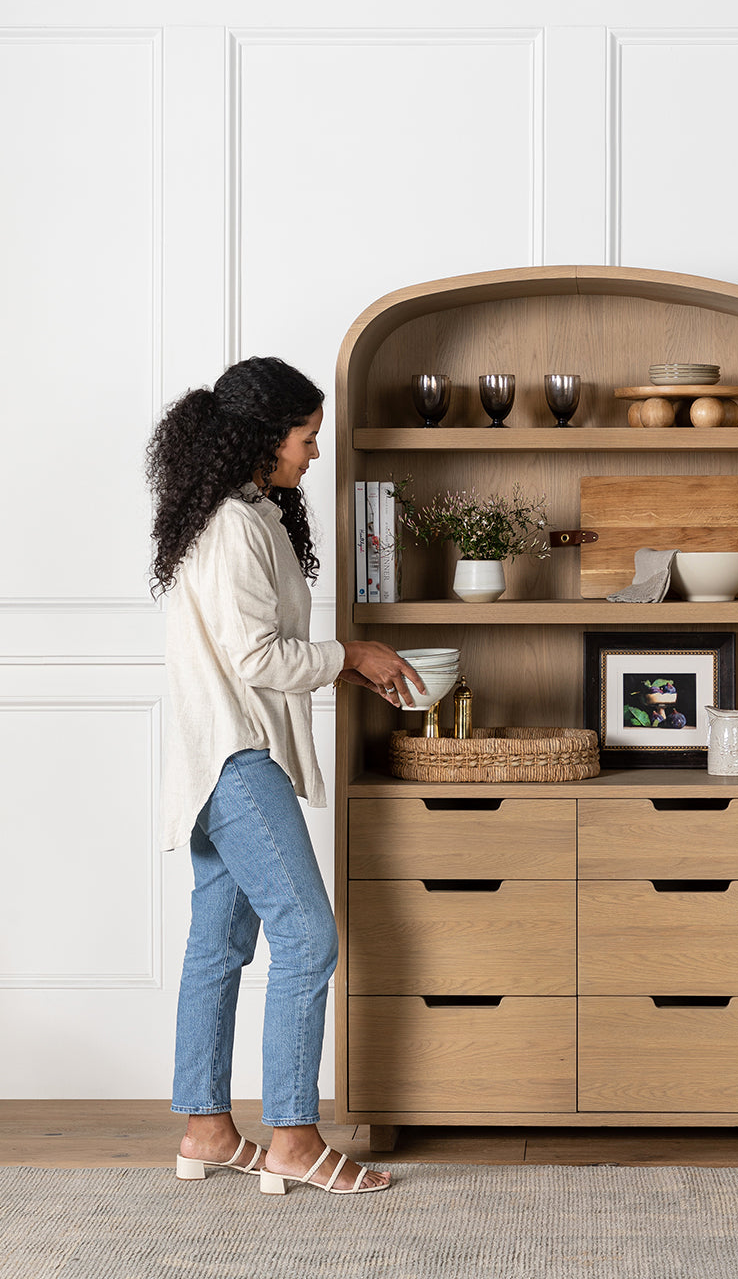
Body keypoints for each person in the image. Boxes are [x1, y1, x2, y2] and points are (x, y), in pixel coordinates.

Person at [146, 355, 424, 1196]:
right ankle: (295, 1141)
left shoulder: (236, 516)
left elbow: (249, 654)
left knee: (219, 944)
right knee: (308, 936)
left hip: (215, 755)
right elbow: (257, 655)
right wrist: (352, 652)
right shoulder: (234, 525)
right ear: (264, 439)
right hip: (236, 759)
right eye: (305, 438)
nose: (312, 454)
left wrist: (342, 668)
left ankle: (205, 1129)